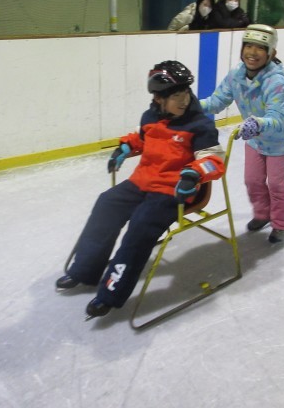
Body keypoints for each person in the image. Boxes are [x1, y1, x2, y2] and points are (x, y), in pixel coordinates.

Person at [56, 61, 226, 319]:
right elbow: (140, 137)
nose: (183, 100)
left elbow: (213, 159)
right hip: (142, 182)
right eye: (176, 96)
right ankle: (85, 269)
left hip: (173, 190)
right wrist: (125, 147)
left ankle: (111, 292)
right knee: (106, 203)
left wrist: (194, 174)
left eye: (185, 93)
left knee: (141, 224)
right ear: (158, 99)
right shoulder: (150, 117)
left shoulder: (199, 125)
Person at [200, 24, 284, 243]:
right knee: (252, 180)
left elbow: (277, 119)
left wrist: (256, 124)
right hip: (255, 136)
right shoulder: (236, 75)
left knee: (277, 184)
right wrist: (193, 106)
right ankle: (262, 214)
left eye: (260, 48)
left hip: (280, 138)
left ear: (271, 53)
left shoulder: (276, 82)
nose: (252, 52)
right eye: (248, 46)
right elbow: (218, 100)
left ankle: (281, 223)